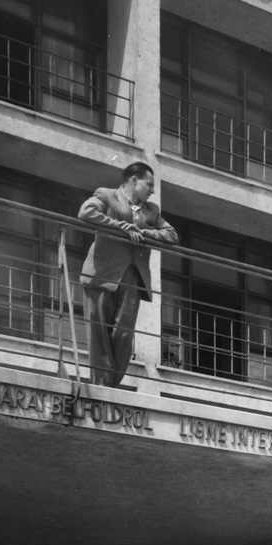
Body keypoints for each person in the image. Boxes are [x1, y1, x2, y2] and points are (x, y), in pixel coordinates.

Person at [78, 161, 178, 388]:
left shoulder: (151, 210)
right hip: (101, 274)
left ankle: (110, 386)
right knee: (99, 332)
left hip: (131, 277)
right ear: (134, 179)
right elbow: (86, 212)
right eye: (149, 184)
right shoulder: (107, 195)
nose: (152, 190)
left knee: (123, 336)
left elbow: (171, 235)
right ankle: (102, 387)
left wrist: (143, 232)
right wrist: (122, 227)